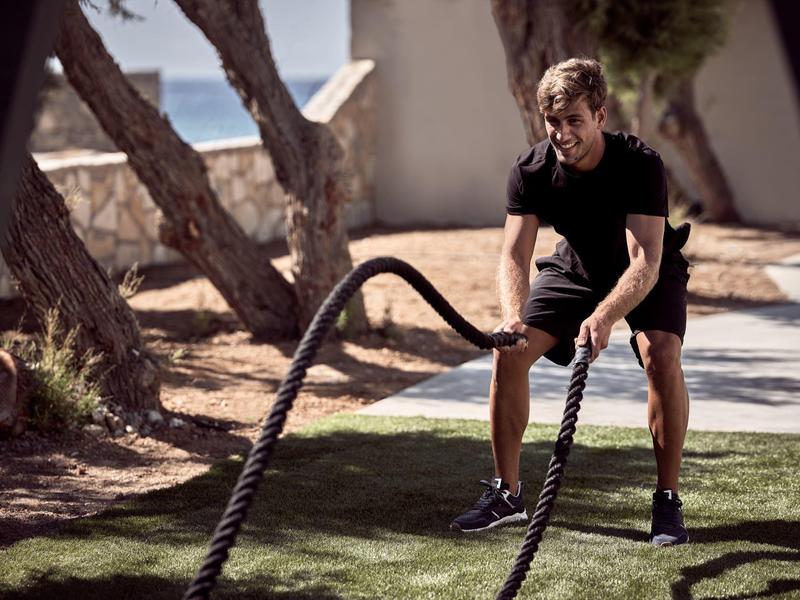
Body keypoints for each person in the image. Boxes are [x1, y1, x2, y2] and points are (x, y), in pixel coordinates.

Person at [450, 58, 691, 547]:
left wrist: (604, 317)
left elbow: (645, 260)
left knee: (661, 354)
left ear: (600, 116)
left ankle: (667, 499)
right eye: (553, 122)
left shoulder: (640, 164)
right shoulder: (530, 170)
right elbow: (514, 255)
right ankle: (507, 493)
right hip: (576, 267)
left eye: (574, 120)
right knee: (508, 351)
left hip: (647, 267)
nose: (562, 134)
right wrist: (512, 314)